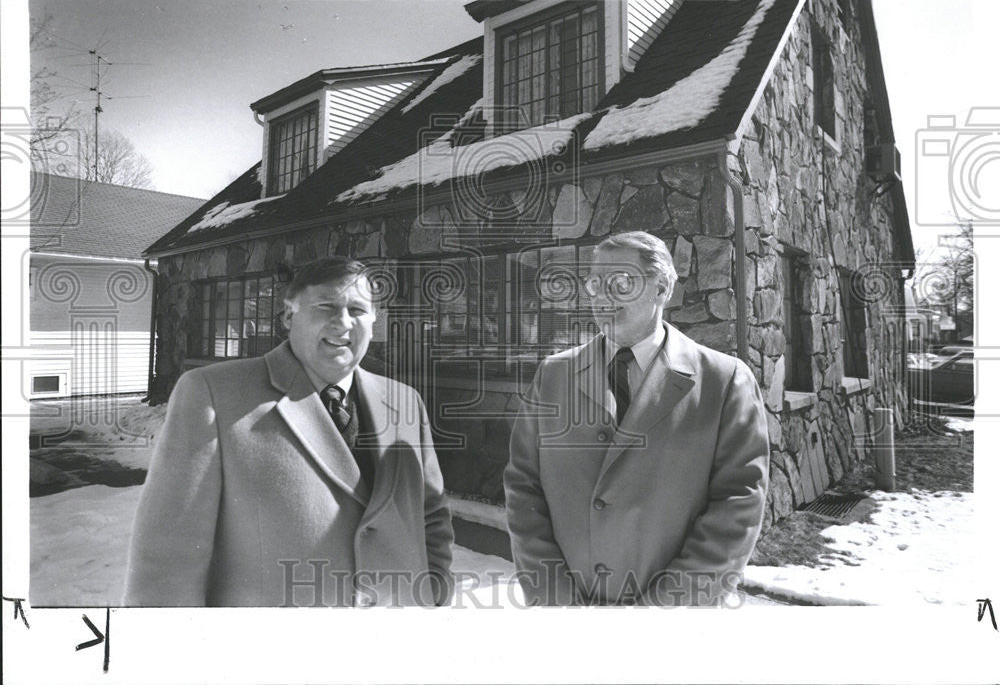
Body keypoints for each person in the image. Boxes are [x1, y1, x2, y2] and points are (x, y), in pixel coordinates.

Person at [124, 256, 453, 607]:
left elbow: (430, 514)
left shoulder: (405, 402)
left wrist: (435, 593)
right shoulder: (213, 395)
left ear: (375, 321)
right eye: (326, 306)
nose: (342, 323)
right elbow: (170, 554)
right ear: (287, 317)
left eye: (357, 310)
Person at [504, 231, 769, 606]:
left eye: (621, 282)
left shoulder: (724, 381)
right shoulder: (553, 376)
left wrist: (662, 611)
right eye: (595, 283)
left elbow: (738, 502)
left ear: (661, 289)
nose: (602, 296)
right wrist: (554, 598)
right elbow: (523, 489)